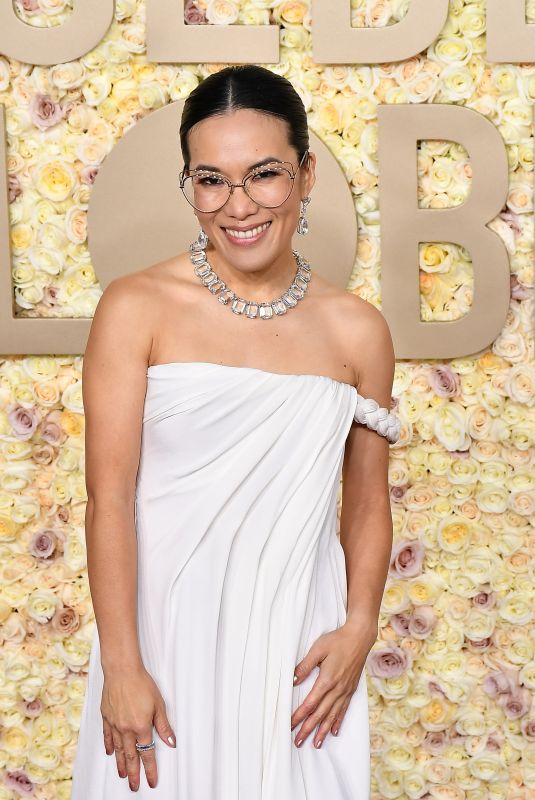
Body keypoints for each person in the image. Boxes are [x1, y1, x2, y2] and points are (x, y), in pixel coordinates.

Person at [71, 64, 401, 798]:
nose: (237, 205)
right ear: (188, 184)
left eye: (265, 175)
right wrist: (122, 665)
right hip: (164, 637)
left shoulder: (357, 331)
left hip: (298, 646)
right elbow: (109, 499)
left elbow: (368, 503)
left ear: (307, 174)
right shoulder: (136, 307)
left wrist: (358, 627)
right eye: (210, 179)